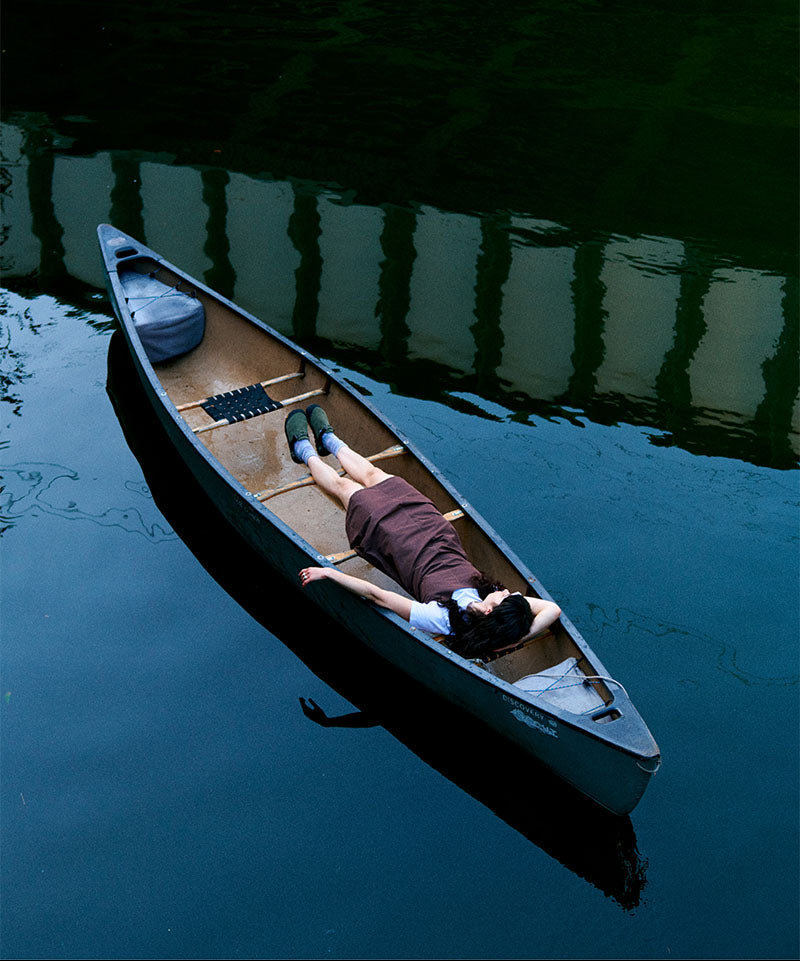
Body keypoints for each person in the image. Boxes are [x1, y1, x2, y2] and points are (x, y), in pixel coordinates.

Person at [287, 405, 561, 659]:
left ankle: (302, 449)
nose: (508, 591)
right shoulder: (496, 606)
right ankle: (328, 439)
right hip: (432, 529)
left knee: (344, 488)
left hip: (394, 538)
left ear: (491, 611)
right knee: (373, 473)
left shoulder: (442, 619)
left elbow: (378, 595)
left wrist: (329, 573)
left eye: (505, 596)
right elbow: (552, 609)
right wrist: (512, 641)